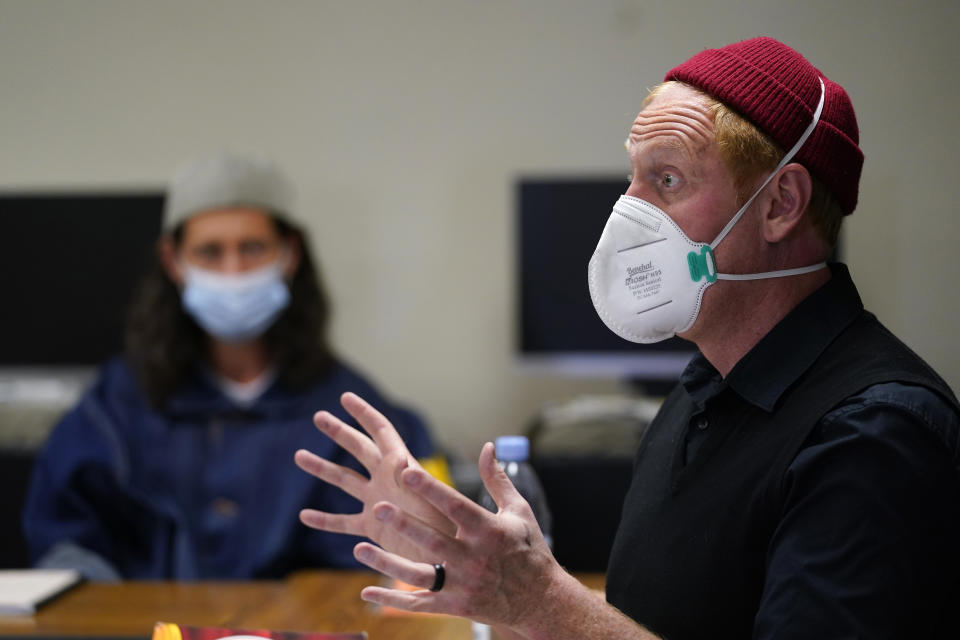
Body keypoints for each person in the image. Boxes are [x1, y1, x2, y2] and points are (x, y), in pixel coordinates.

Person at [293, 37, 960, 639]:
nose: (628, 213)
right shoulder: (702, 393)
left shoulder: (874, 434)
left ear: (781, 203)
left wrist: (542, 601)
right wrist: (470, 556)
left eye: (666, 180)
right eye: (633, 178)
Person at [22, 151, 442, 581]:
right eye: (210, 252)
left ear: (290, 253)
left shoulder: (346, 411)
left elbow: (384, 565)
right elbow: (65, 540)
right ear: (173, 261)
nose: (234, 271)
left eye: (253, 248)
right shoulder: (117, 404)